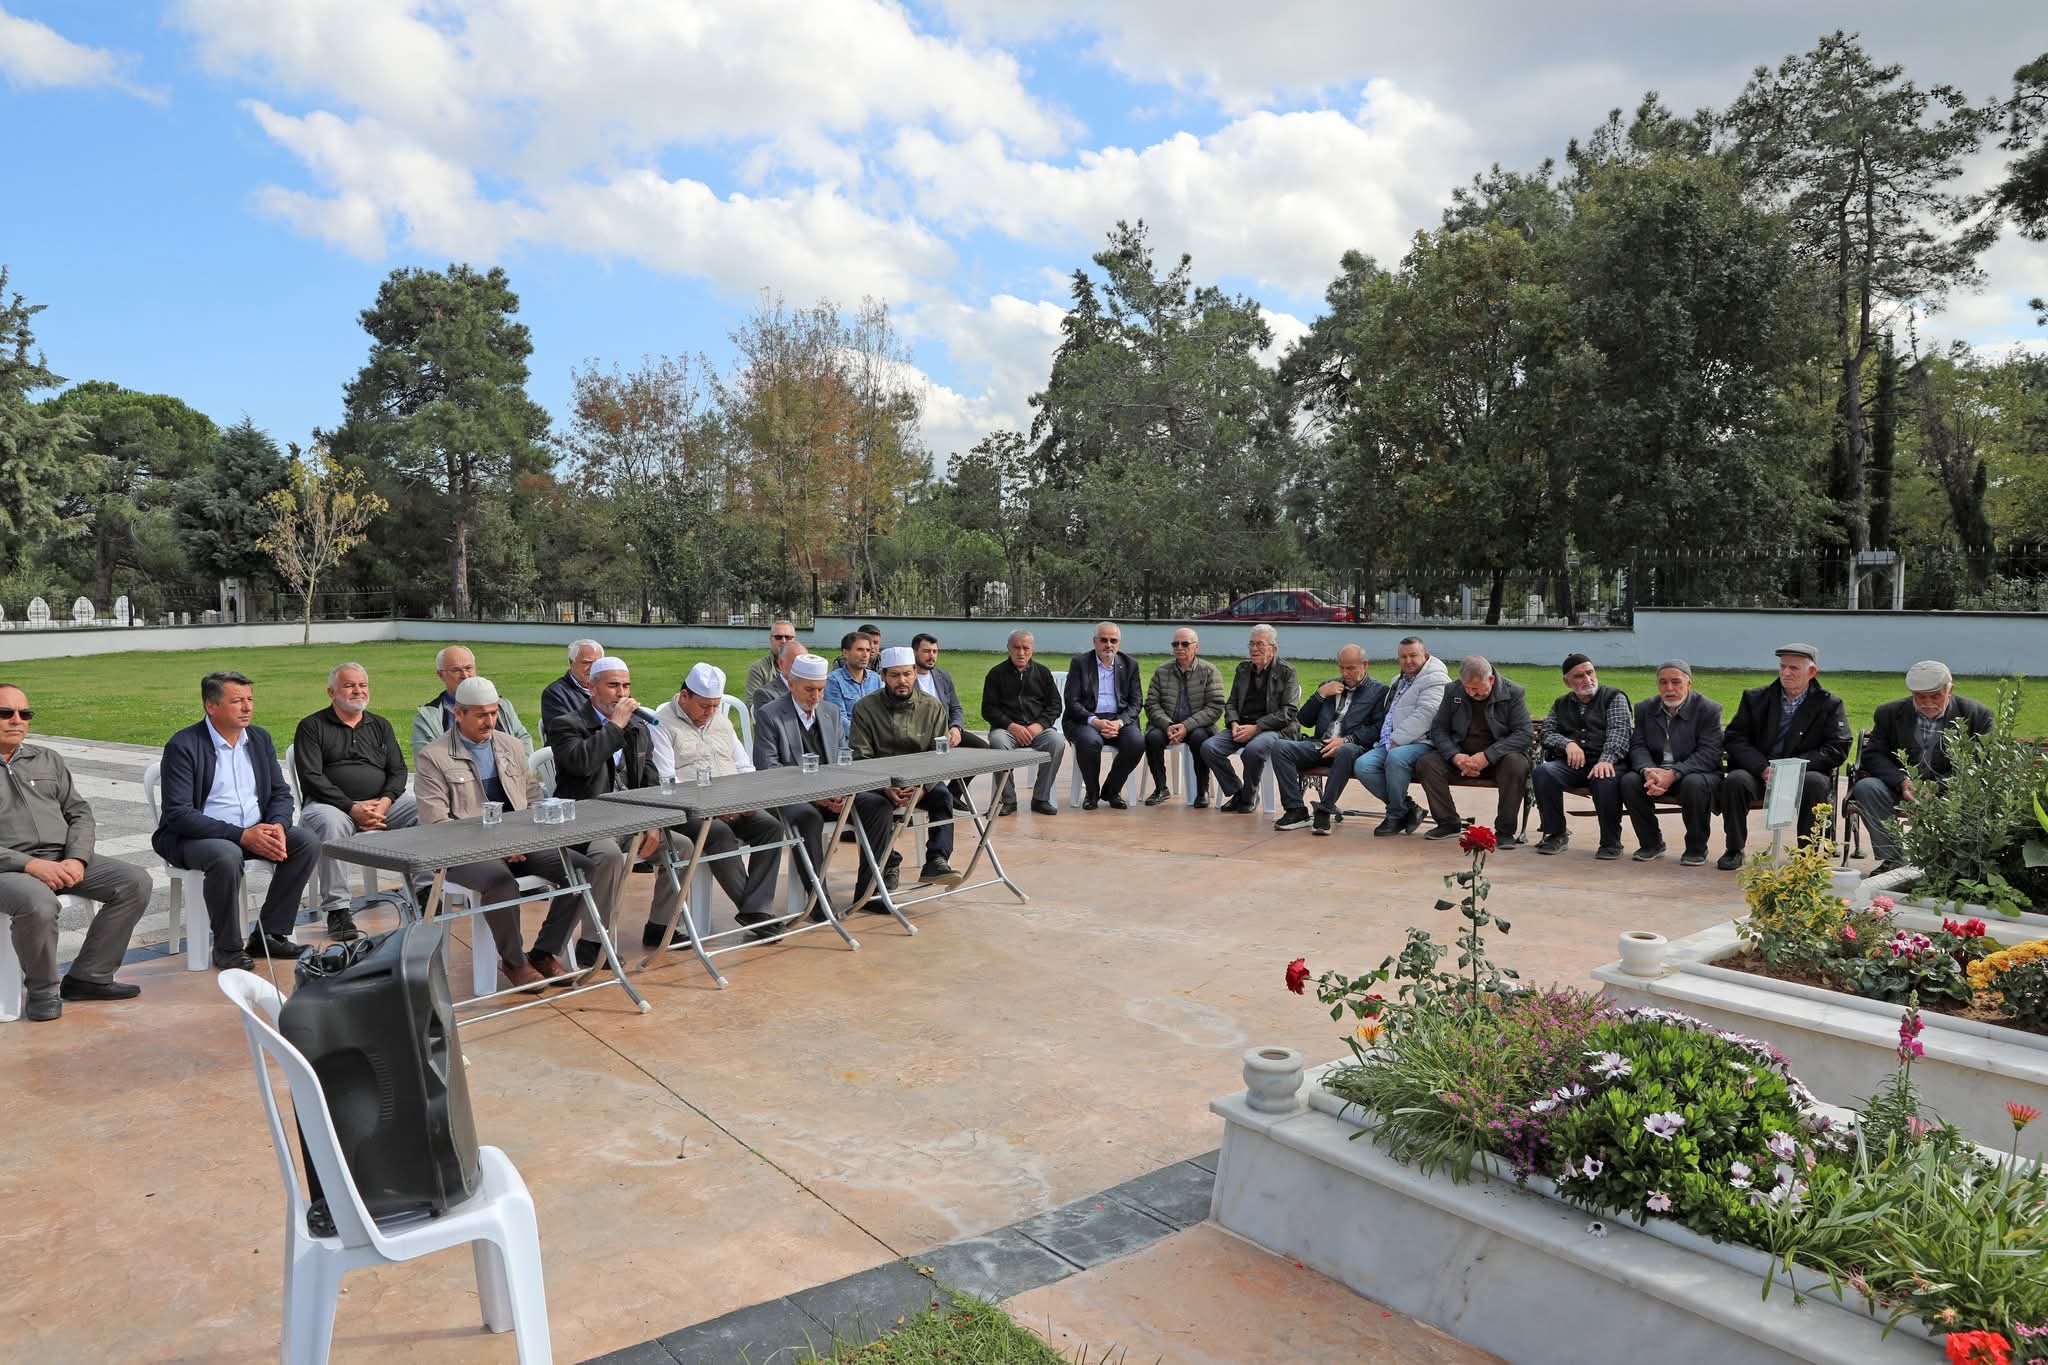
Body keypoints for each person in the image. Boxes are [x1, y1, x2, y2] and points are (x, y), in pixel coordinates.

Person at [414, 677, 596, 990]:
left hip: (520, 843)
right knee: (501, 882)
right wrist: (498, 847)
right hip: (462, 851)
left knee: (582, 868)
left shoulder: (509, 745)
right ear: (459, 714)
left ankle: (544, 952)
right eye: (481, 715)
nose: (490, 721)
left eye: (494, 713)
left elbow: (533, 797)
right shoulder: (434, 757)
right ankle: (514, 961)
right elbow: (436, 825)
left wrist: (530, 836)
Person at [151, 670, 323, 969]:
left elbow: (280, 794)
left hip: (254, 831)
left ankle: (269, 934)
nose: (247, 708)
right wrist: (242, 835)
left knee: (305, 841)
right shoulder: (183, 745)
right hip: (195, 838)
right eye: (237, 701)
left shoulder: (258, 738)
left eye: (250, 700)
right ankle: (227, 948)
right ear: (211, 706)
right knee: (226, 854)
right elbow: (178, 814)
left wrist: (278, 827)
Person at [0, 683, 151, 1020]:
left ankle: (90, 977)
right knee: (39, 904)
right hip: (9, 871)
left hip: (62, 857)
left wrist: (77, 857)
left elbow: (79, 812)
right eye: (5, 713)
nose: (17, 720)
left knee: (134, 881)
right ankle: (42, 990)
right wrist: (30, 865)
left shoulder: (47, 759)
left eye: (24, 714)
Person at [650, 663, 785, 939]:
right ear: (684, 696)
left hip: (731, 802)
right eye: (704, 706)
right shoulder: (661, 723)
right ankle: (752, 912)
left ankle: (756, 907)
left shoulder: (720, 721)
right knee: (719, 832)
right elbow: (667, 782)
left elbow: (744, 766)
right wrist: (714, 809)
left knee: (770, 826)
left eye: (715, 706)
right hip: (687, 811)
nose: (710, 713)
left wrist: (744, 799)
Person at [292, 662, 418, 942]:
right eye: (349, 685)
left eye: (362, 684)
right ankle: (338, 910)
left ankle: (425, 891)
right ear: (331, 692)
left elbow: (398, 770)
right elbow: (311, 777)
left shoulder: (379, 725)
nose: (358, 690)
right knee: (329, 825)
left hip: (382, 805)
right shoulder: (312, 727)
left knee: (423, 810)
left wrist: (384, 803)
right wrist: (352, 808)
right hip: (331, 806)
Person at [536, 655, 642, 963]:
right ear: (591, 688)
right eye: (612, 686)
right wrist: (614, 727)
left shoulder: (637, 726)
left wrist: (652, 824)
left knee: (683, 846)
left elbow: (646, 781)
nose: (621, 693)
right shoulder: (566, 725)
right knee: (607, 856)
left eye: (626, 685)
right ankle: (594, 943)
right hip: (584, 821)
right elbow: (581, 764)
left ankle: (663, 926)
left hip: (628, 819)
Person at [1718, 643, 1851, 870]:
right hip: (1761, 773)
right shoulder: (1755, 698)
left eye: (1794, 668)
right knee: (1735, 781)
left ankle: (1806, 854)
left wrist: (1792, 769)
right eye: (1783, 667)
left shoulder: (1829, 704)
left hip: (1803, 773)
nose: (1786, 673)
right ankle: (1734, 848)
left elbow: (1837, 747)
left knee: (1817, 783)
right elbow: (1734, 738)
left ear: (1811, 672)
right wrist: (1762, 768)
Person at [1852, 660, 1994, 870]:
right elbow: (1872, 755)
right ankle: (1894, 861)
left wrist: (1937, 786)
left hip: (1952, 790)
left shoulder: (1978, 715)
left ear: (1950, 690)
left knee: (1977, 796)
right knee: (1867, 787)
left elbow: (1980, 762)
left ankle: (1949, 864)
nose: (1927, 702)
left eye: (1935, 696)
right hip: (1901, 789)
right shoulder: (1889, 712)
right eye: (1920, 697)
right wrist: (1902, 781)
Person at [850, 647, 962, 904]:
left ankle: (936, 859)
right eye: (895, 675)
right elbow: (861, 756)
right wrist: (884, 787)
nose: (902, 681)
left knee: (943, 797)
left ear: (915, 674)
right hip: (880, 783)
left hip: (920, 782)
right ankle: (888, 862)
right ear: (883, 676)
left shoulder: (932, 707)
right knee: (875, 807)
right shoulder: (865, 708)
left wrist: (923, 787)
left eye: (907, 674)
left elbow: (939, 755)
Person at [753, 653, 848, 916]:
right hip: (788, 796)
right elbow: (767, 768)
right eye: (809, 689)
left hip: (831, 793)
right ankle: (819, 898)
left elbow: (842, 758)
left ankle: (873, 890)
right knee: (808, 817)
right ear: (791, 684)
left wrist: (839, 792)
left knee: (875, 805)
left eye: (820, 689)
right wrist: (816, 797)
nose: (815, 696)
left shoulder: (831, 712)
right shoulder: (770, 715)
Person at [1269, 645, 1389, 834]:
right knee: (1279, 747)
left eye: (1350, 668)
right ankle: (1296, 810)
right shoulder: (1329, 685)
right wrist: (1320, 694)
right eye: (1341, 667)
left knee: (1345, 750)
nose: (1345, 673)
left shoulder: (1379, 691)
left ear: (1365, 665)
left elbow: (1378, 729)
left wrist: (1346, 740)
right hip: (1320, 745)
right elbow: (1304, 720)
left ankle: (1324, 811)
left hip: (1352, 748)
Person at [1413, 656, 1532, 846]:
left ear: (1491, 680)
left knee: (1516, 764)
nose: (1470, 693)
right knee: (1427, 763)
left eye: (1475, 688)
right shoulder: (1453, 690)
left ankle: (1505, 831)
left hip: (1498, 759)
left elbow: (1524, 734)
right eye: (1467, 688)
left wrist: (1487, 756)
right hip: (1462, 755)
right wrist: (1455, 756)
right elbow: (1439, 729)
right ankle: (1448, 822)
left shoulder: (1513, 693)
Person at [1621, 660, 1724, 866]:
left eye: (1676, 682)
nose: (1669, 688)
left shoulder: (1708, 709)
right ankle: (1651, 843)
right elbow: (1638, 746)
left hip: (1696, 772)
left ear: (1688, 684)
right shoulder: (1644, 708)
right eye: (1663, 682)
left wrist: (1674, 773)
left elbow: (1708, 753)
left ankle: (1696, 847)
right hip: (1657, 772)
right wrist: (1648, 771)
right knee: (1629, 781)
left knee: (1693, 784)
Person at [1531, 654, 1632, 860]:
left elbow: (1619, 732)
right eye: (1579, 676)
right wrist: (1567, 743)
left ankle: (1611, 841)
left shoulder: (1614, 697)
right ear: (1567, 682)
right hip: (1573, 764)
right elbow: (1547, 733)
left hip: (1608, 762)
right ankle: (1556, 833)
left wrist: (1606, 759)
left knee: (1604, 779)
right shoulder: (1561, 703)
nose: (1587, 679)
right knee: (1544, 772)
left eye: (1590, 672)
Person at [1354, 637, 1450, 836]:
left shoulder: (1436, 679)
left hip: (1424, 741)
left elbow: (1426, 715)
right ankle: (1408, 807)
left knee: (1396, 758)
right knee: (1363, 766)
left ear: (1426, 656)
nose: (1408, 661)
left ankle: (1395, 815)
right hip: (1392, 741)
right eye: (1403, 657)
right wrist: (1390, 741)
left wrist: (1397, 740)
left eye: (1413, 655)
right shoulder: (1398, 681)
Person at [1201, 625, 1300, 814]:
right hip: (1243, 725)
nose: (1254, 649)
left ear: (1273, 649)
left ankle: (1249, 795)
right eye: (1252, 644)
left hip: (1274, 729)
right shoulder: (1243, 669)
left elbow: (1289, 711)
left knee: (1253, 751)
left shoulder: (1287, 672)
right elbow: (1231, 703)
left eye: (1260, 644)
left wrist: (1257, 727)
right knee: (1209, 748)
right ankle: (1239, 791)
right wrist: (1234, 723)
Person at [982, 630, 1066, 816]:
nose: (1021, 652)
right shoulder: (996, 674)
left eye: (1025, 648)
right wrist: (1012, 726)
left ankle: (1041, 798)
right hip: (1006, 730)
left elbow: (1055, 705)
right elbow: (988, 709)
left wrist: (1039, 725)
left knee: (1057, 742)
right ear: (1008, 649)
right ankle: (1007, 800)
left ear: (1032, 650)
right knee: (997, 743)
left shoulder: (1043, 673)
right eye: (1016, 647)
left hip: (1038, 730)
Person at [1061, 622, 1145, 809]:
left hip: (1119, 718)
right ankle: (1092, 793)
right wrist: (1095, 721)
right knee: (1089, 742)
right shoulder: (1080, 663)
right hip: (1087, 719)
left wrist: (1120, 722)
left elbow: (1136, 701)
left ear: (1119, 643)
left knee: (1137, 742)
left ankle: (1111, 791)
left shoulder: (1129, 664)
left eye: (1113, 640)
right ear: (1095, 641)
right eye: (1104, 640)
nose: (1109, 645)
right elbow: (1072, 701)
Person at [1142, 628, 1226, 807]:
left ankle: (1201, 790)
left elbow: (1215, 707)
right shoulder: (1162, 671)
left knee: (1199, 739)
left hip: (1198, 726)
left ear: (1196, 647)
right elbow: (1151, 704)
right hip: (1168, 725)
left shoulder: (1209, 671)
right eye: (1175, 644)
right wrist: (1168, 725)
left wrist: (1186, 726)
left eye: (1185, 644)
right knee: (1152, 738)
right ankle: (1161, 788)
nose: (1179, 647)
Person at [413, 646, 534, 754]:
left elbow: (523, 742)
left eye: (468, 668)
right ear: (441, 675)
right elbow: (426, 761)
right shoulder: (429, 717)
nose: (465, 675)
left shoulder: (502, 706)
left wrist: (518, 774)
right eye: (456, 670)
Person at [911, 632, 986, 753]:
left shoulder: (943, 676)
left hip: (947, 733)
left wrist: (956, 728)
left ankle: (962, 773)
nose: (932, 656)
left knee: (984, 750)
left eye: (935, 651)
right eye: (926, 651)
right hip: (921, 736)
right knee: (942, 760)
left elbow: (956, 708)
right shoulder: (907, 679)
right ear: (914, 652)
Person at [540, 638, 606, 732]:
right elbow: (563, 734)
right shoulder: (555, 694)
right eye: (586, 662)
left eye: (597, 663)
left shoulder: (612, 688)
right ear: (571, 662)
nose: (593, 668)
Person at [825, 631, 882, 731]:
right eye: (860, 650)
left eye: (868, 650)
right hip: (849, 740)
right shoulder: (833, 680)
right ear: (846, 653)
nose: (865, 655)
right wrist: (867, 734)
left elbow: (881, 712)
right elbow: (839, 719)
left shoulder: (875, 678)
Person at [743, 621, 799, 711]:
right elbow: (752, 705)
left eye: (788, 637)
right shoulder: (758, 669)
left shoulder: (805, 667)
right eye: (778, 637)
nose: (783, 641)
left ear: (795, 640)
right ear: (771, 640)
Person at [751, 634, 803, 714]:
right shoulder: (765, 694)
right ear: (781, 664)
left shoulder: (815, 690)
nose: (783, 641)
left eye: (788, 637)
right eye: (796, 663)